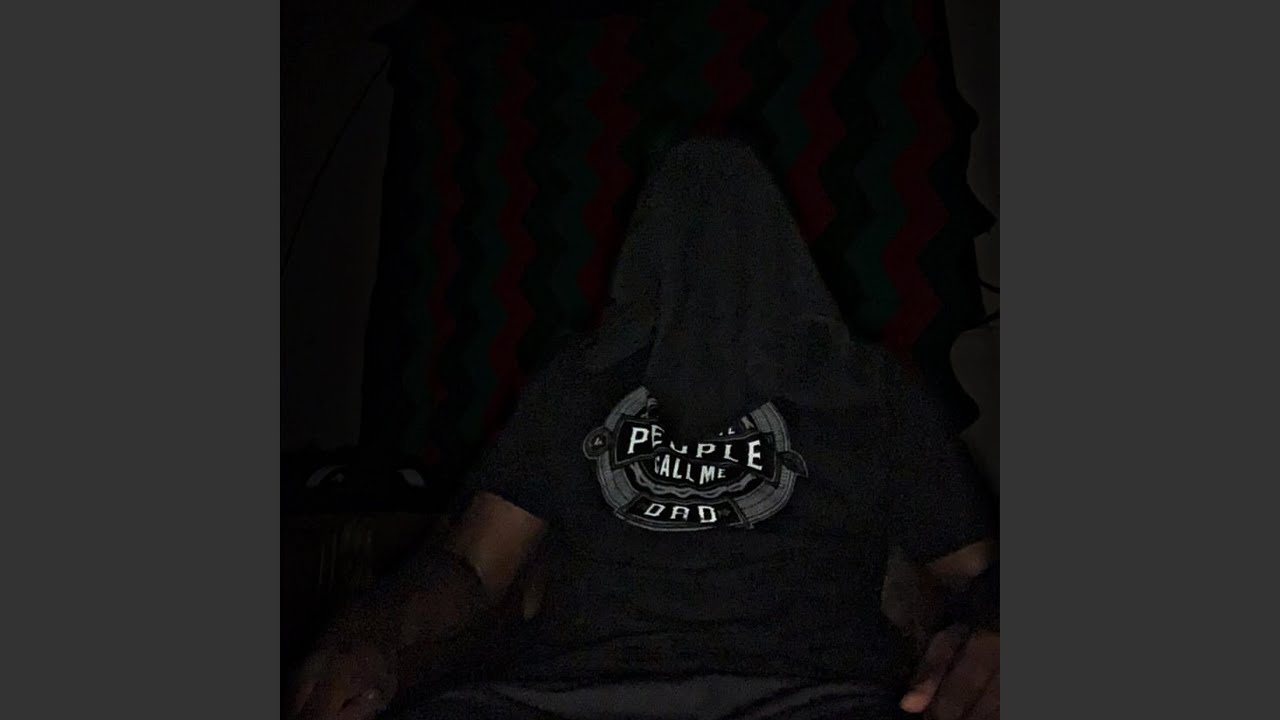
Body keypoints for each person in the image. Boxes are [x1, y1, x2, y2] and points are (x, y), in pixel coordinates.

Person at [288, 138, 999, 720]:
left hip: (809, 695)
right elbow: (473, 565)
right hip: (560, 695)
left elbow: (973, 572)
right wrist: (370, 633)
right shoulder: (580, 381)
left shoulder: (867, 390)